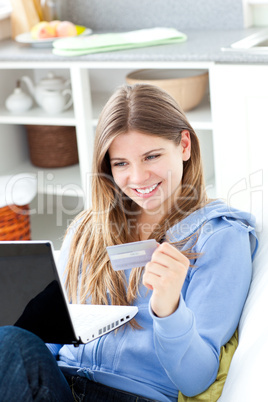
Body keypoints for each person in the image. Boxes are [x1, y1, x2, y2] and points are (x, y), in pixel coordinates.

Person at [0, 84, 257, 402]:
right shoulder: (87, 229)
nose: (138, 178)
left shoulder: (220, 236)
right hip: (59, 385)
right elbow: (44, 344)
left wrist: (169, 308)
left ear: (185, 145)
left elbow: (195, 381)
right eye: (121, 163)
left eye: (151, 156)